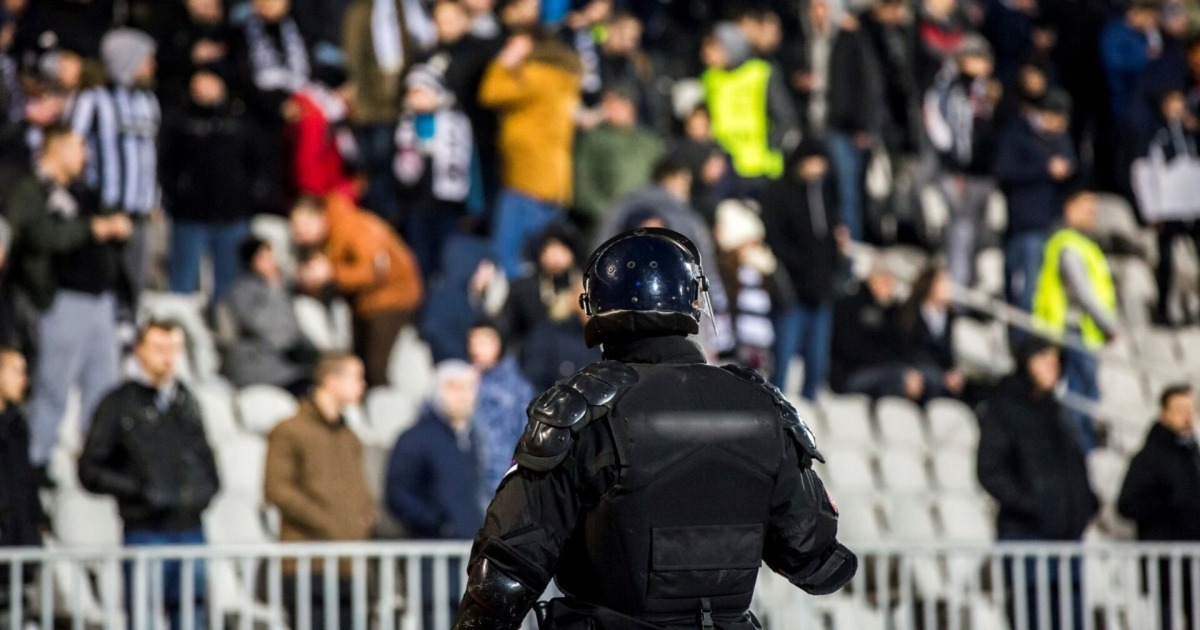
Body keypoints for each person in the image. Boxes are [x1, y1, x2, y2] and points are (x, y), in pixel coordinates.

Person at [452, 227, 856, 629]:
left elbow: (505, 570)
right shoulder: (761, 404)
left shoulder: (582, 410)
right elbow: (815, 560)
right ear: (692, 300)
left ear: (596, 306)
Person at [7, 125, 132, 476]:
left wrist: (115, 229)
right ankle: (35, 465)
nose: (85, 155)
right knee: (52, 388)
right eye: (78, 147)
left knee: (103, 390)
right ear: (57, 148)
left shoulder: (83, 191)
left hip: (100, 301)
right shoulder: (31, 190)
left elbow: (113, 226)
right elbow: (37, 236)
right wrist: (93, 229)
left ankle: (97, 467)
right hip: (60, 301)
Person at [79, 320, 220, 630]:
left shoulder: (186, 400)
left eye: (173, 348)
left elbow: (205, 457)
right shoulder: (118, 404)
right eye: (159, 348)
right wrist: (141, 491)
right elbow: (90, 470)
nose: (167, 356)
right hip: (145, 531)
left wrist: (204, 491)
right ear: (139, 350)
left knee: (193, 617)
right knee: (144, 619)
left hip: (191, 529)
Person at [977, 338, 1097, 630]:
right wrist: (1033, 503)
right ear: (1026, 364)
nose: (1052, 368)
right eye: (1044, 360)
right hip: (1027, 542)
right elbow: (990, 470)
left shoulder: (1059, 412)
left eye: (1055, 361)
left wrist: (1086, 504)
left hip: (1067, 542)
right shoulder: (1005, 409)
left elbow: (1075, 468)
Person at [264, 352, 375, 630]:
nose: (363, 385)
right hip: (307, 564)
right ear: (331, 381)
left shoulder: (349, 436)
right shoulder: (289, 430)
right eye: (356, 378)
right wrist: (328, 523)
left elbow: (360, 489)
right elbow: (277, 490)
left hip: (348, 564)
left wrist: (365, 516)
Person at [478, 20, 583, 278]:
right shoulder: (563, 77)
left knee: (507, 258)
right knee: (540, 258)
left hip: (527, 180)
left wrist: (503, 63)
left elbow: (490, 93)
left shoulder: (536, 74)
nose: (508, 46)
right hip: (555, 183)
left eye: (515, 42)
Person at [386, 360, 483, 628]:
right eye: (453, 387)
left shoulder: (472, 437)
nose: (463, 394)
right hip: (431, 555)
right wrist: (439, 524)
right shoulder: (416, 438)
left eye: (468, 387)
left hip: (468, 554)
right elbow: (398, 494)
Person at [291, 194, 424, 387]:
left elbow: (374, 271)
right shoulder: (319, 242)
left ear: (320, 217)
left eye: (304, 227)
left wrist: (331, 273)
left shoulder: (356, 227)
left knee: (375, 366)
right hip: (361, 303)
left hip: (392, 299)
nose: (300, 235)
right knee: (357, 362)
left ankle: (381, 402)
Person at [70, 27, 160, 292]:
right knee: (103, 287)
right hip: (103, 210)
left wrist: (154, 197)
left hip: (139, 214)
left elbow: (151, 154)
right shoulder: (93, 100)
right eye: (146, 59)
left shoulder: (148, 102)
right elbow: (71, 146)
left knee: (134, 289)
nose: (151, 66)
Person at [161, 70, 257, 304]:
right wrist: (175, 195)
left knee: (228, 289)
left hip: (231, 215)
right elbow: (166, 163)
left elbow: (256, 163)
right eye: (197, 80)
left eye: (208, 80)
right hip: (190, 215)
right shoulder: (180, 119)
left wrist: (247, 198)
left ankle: (223, 326)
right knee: (182, 284)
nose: (201, 86)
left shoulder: (239, 119)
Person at [1032, 190, 1117, 452]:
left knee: (1085, 398)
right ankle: (1079, 452)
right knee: (1080, 399)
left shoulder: (1081, 244)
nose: (1093, 214)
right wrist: (1108, 324)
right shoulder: (1069, 246)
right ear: (1069, 208)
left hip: (1079, 332)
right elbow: (1082, 293)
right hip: (1072, 331)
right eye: (1087, 208)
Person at [762, 139, 846, 399]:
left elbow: (831, 236)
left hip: (821, 291)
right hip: (792, 291)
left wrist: (831, 267)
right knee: (783, 357)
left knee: (817, 359)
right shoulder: (779, 193)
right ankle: (774, 407)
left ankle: (810, 410)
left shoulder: (824, 193)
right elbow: (776, 238)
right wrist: (801, 266)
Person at [1118, 385, 1200, 630]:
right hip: (1164, 565)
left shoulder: (1192, 454)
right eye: (1180, 410)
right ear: (1163, 414)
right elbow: (1126, 504)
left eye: (1191, 409)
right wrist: (1171, 505)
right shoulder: (1149, 457)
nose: (1187, 416)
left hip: (1193, 562)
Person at [923, 34, 1000, 288]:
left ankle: (971, 287)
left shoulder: (986, 90)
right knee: (960, 231)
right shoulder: (947, 87)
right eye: (977, 58)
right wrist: (954, 164)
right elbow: (938, 126)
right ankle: (956, 290)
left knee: (981, 235)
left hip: (983, 173)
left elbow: (988, 132)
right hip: (957, 172)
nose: (983, 64)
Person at [994, 88, 1076, 312]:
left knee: (1040, 285)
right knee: (1021, 284)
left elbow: (1071, 165)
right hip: (1022, 222)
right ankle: (1021, 329)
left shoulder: (1060, 140)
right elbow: (1004, 171)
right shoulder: (1018, 134)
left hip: (1051, 223)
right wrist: (1045, 168)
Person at [393, 62, 474, 283]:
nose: (415, 99)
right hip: (418, 202)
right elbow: (402, 167)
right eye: (412, 93)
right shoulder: (406, 125)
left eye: (420, 92)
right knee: (420, 258)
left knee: (449, 255)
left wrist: (473, 205)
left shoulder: (456, 123)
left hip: (448, 204)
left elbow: (468, 164)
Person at [341, 0, 418, 223]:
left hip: (400, 103)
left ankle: (391, 217)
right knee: (374, 165)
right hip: (369, 105)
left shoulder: (404, 8)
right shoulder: (360, 11)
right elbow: (353, 56)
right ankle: (378, 217)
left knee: (397, 165)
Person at [700, 22, 799, 191]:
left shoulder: (761, 73)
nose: (705, 55)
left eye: (713, 48)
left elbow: (785, 118)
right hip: (726, 171)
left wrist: (771, 146)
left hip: (762, 170)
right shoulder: (709, 79)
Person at [221, 238, 317, 394]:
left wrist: (310, 349)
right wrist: (273, 289)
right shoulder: (240, 291)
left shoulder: (281, 288)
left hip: (286, 361)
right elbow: (259, 325)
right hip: (257, 363)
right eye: (263, 258)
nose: (271, 262)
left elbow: (293, 325)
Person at [573, 84, 664, 231]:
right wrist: (604, 213)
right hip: (605, 222)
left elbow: (663, 182)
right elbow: (583, 183)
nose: (607, 110)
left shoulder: (650, 143)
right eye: (605, 104)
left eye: (613, 104)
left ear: (629, 106)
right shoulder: (593, 140)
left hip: (646, 219)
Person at [466, 320, 535, 505]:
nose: (476, 349)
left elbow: (525, 435)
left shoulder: (517, 389)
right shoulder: (461, 381)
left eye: (484, 342)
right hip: (470, 478)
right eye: (472, 342)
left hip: (505, 477)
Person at [896, 266, 965, 401]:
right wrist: (942, 377)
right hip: (917, 370)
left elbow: (948, 354)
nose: (949, 288)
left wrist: (952, 373)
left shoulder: (949, 318)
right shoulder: (910, 313)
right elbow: (909, 349)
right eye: (943, 283)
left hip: (940, 373)